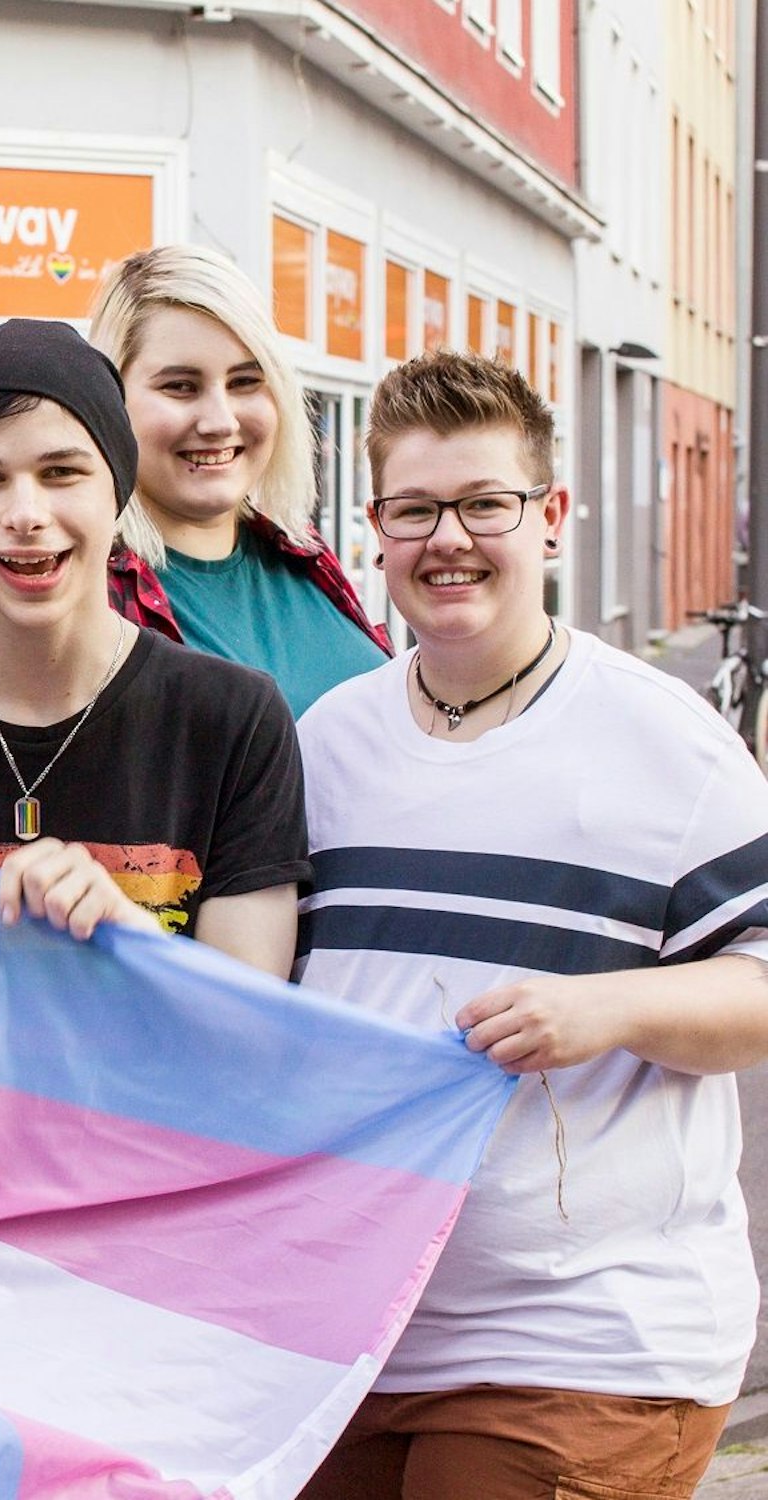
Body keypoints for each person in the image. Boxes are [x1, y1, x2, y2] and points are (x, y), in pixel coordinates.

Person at [294, 350, 768, 1500]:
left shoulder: (664, 744)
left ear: (547, 518)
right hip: (349, 1331)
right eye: (413, 509)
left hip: (583, 1340)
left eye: (482, 505)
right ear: (374, 528)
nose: (446, 539)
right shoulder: (325, 742)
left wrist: (609, 1008)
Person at [0, 318, 307, 976]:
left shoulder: (233, 722)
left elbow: (252, 1018)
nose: (26, 514)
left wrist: (130, 932)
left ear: (116, 490)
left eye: (62, 472)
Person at [0, 244, 389, 717]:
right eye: (180, 386)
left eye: (245, 382)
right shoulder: (50, 585)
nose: (220, 421)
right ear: (109, 402)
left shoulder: (302, 551)